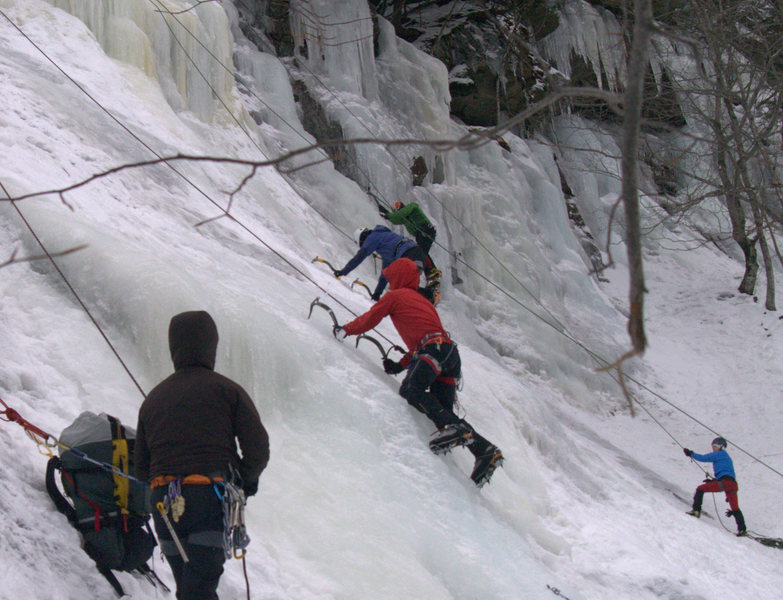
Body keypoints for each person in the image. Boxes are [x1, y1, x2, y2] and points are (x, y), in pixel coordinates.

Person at [332, 257, 503, 487]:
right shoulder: (423, 302)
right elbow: (419, 345)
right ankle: (484, 451)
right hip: (449, 355)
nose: (390, 283)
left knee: (411, 389)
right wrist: (400, 365)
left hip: (434, 350)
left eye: (391, 279)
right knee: (441, 414)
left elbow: (371, 318)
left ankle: (461, 432)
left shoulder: (394, 296)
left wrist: (346, 330)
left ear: (397, 278)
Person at [135, 310, 270, 599]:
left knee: (190, 586)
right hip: (209, 498)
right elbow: (258, 450)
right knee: (199, 586)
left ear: (174, 348)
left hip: (163, 502)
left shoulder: (152, 400)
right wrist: (244, 481)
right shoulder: (228, 390)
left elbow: (140, 468)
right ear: (211, 346)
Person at [335, 225, 428, 301]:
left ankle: (427, 296)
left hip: (409, 254)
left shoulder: (373, 237)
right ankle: (426, 298)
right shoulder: (387, 245)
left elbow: (359, 257)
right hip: (418, 254)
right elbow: (385, 274)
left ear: (363, 239)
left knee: (401, 286)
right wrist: (377, 293)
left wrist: (343, 272)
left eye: (363, 244)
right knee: (408, 286)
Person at [683, 436, 746, 535]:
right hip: (732, 484)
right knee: (735, 508)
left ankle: (696, 511)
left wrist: (691, 453)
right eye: (713, 446)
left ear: (721, 446)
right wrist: (714, 481)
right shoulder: (726, 457)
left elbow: (704, 458)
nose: (713, 448)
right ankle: (742, 529)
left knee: (700, 489)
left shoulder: (720, 454)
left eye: (715, 446)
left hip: (725, 483)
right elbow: (726, 473)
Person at [380, 201, 438, 275]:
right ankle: (431, 272)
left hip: (426, 231)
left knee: (422, 252)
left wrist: (389, 215)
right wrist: (386, 213)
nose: (397, 210)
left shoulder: (412, 206)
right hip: (421, 234)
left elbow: (397, 215)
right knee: (422, 252)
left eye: (398, 208)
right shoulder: (404, 218)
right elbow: (395, 220)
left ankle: (431, 271)